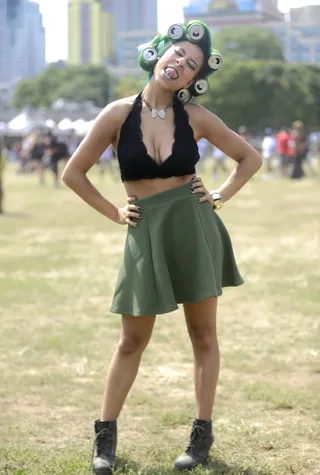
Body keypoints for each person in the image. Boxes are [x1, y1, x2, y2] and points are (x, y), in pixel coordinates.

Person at [62, 20, 262, 474]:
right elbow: (73, 173)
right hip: (145, 230)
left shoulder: (196, 118)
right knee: (132, 340)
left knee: (203, 336)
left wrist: (219, 196)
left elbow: (250, 158)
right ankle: (105, 437)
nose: (180, 64)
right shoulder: (116, 114)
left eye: (191, 64)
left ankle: (201, 434)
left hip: (193, 228)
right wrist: (115, 212)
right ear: (158, 53)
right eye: (176, 54)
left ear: (194, 78)